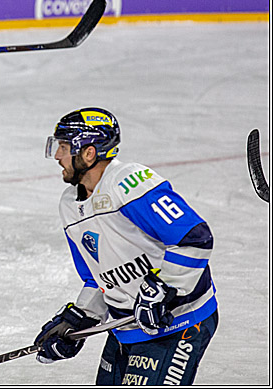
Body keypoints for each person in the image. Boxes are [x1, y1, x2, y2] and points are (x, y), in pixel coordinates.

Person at [36, 108, 218, 385]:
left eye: (63, 147)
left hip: (178, 322)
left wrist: (162, 290)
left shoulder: (128, 182)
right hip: (126, 329)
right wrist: (80, 318)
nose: (57, 156)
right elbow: (97, 278)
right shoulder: (70, 205)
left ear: (88, 152)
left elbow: (194, 238)